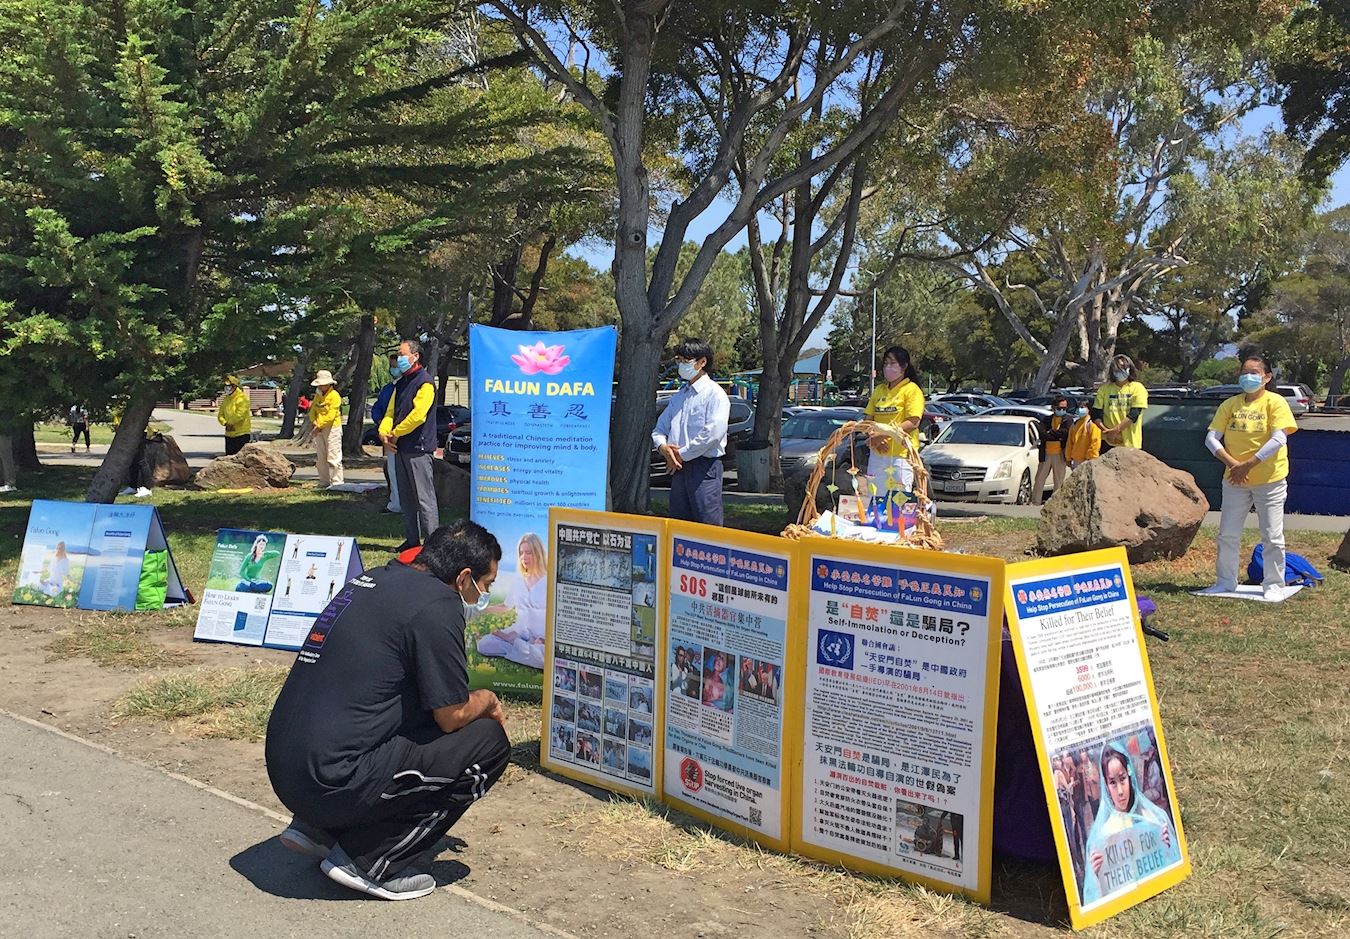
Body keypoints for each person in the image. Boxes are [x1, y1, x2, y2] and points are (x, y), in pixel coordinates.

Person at [265, 521, 509, 901]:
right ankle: (372, 860)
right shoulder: (437, 605)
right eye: (485, 585)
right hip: (331, 781)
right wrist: (489, 700)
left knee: (398, 706)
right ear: (464, 578)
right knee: (487, 743)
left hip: (287, 769)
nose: (483, 596)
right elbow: (452, 714)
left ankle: (320, 829)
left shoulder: (373, 579)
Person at [1201, 352, 1298, 600]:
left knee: (1272, 535)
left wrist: (1249, 464)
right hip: (1235, 480)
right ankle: (1225, 581)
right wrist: (1234, 464)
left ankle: (1274, 584)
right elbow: (1211, 438)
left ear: (1267, 377)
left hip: (1270, 479)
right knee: (1228, 533)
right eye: (1244, 372)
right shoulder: (1230, 404)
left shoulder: (1275, 402)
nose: (1248, 376)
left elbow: (1279, 438)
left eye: (1254, 372)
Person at [1081, 745, 1179, 904]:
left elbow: (1172, 873)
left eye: (1122, 779)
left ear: (1130, 776)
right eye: (1113, 782)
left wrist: (1166, 848)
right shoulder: (1103, 835)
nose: (1120, 791)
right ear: (1106, 786)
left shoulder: (1152, 819)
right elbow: (1097, 901)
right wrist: (1096, 875)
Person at [652, 338, 731, 526]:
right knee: (679, 525)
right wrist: (663, 448)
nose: (680, 365)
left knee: (707, 526)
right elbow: (660, 428)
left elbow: (712, 434)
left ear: (702, 362)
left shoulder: (715, 394)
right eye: (678, 360)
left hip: (704, 468)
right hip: (678, 468)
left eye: (685, 361)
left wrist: (679, 455)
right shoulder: (680, 396)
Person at [380, 339, 439, 552]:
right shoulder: (401, 383)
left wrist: (395, 434)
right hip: (400, 448)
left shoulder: (425, 382)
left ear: (415, 356)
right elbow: (390, 412)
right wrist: (384, 432)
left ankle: (432, 545)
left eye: (403, 354)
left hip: (419, 449)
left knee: (424, 499)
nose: (399, 359)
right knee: (406, 498)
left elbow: (418, 416)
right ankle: (412, 541)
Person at [476, 532, 548, 669]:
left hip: (541, 638)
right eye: (521, 553)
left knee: (544, 659)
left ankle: (516, 645)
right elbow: (506, 606)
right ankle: (522, 647)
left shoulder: (549, 581)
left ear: (538, 553)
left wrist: (546, 640)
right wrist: (482, 609)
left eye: (529, 553)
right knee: (484, 645)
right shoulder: (518, 580)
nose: (524, 557)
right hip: (519, 633)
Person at [863, 346, 925, 494]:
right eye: (885, 363)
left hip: (901, 456)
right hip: (877, 455)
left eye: (892, 363)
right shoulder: (879, 390)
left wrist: (882, 435)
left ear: (904, 366)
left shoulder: (912, 390)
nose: (888, 368)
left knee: (899, 501)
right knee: (875, 497)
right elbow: (867, 420)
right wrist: (873, 438)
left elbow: (913, 422)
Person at [1091, 354, 1148, 451]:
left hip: (1130, 443)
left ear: (1129, 369)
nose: (1120, 372)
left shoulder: (1138, 388)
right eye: (1117, 369)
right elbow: (1096, 413)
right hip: (1108, 442)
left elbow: (1134, 414)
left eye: (1123, 368)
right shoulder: (1104, 389)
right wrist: (1106, 431)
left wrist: (1116, 430)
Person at [370, 352, 403, 515]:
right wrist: (379, 423)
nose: (392, 369)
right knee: (393, 472)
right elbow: (377, 408)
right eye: (391, 366)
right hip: (388, 436)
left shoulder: (408, 387)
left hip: (403, 436)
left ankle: (407, 505)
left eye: (395, 366)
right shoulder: (388, 389)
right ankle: (395, 504)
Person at [307, 370, 344, 488]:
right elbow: (312, 411)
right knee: (321, 457)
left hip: (332, 428)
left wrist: (319, 425)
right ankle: (324, 481)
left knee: (333, 456)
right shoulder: (318, 395)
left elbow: (331, 415)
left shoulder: (335, 396)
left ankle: (337, 483)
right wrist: (315, 423)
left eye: (324, 384)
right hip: (319, 427)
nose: (321, 386)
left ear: (329, 384)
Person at [1032, 394, 1071, 505]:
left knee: (1058, 481)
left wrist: (1052, 432)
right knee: (1039, 480)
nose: (1062, 410)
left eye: (1064, 408)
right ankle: (1035, 502)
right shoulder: (1047, 419)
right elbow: (1043, 434)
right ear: (1054, 408)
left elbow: (1065, 433)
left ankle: (1055, 504)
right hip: (1046, 454)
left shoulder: (1067, 420)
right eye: (1059, 408)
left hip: (1060, 454)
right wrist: (1054, 435)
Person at [216, 375, 253, 456]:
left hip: (241, 435)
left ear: (234, 386)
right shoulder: (226, 399)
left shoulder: (242, 398)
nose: (227, 388)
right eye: (225, 386)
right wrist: (225, 423)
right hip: (229, 435)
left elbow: (240, 414)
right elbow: (220, 415)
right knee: (229, 459)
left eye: (229, 386)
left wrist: (230, 423)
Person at [1064, 397, 1102, 469]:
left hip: (1087, 460)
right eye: (1079, 407)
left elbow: (1095, 442)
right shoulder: (1075, 424)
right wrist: (1068, 457)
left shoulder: (1092, 424)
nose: (1080, 409)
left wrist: (1091, 458)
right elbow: (1070, 442)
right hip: (1075, 460)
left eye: (1082, 407)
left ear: (1089, 409)